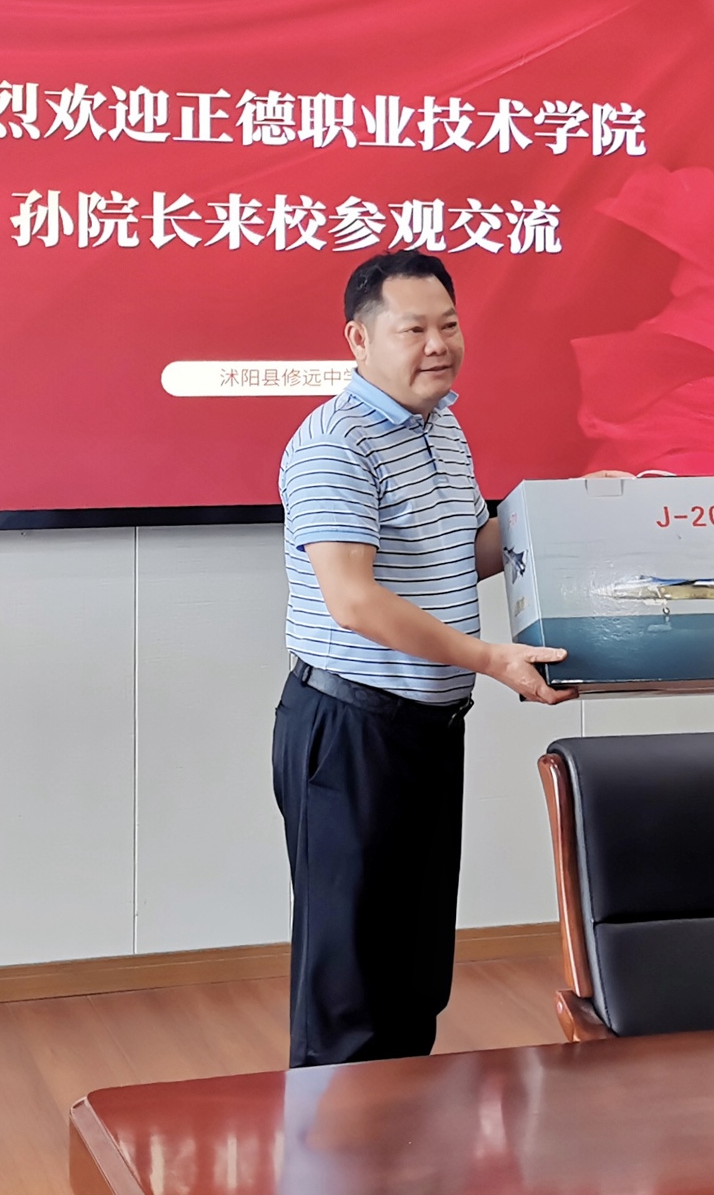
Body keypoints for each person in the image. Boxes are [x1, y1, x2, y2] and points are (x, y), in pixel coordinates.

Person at [274, 252, 574, 1068]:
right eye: (414, 329)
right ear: (359, 340)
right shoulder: (334, 443)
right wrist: (488, 657)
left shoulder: (441, 424)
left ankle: (402, 1126)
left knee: (413, 964)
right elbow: (354, 600)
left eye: (449, 325)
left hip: (428, 728)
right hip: (349, 729)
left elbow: (464, 551)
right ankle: (334, 1134)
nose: (439, 345)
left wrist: (572, 510)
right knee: (350, 978)